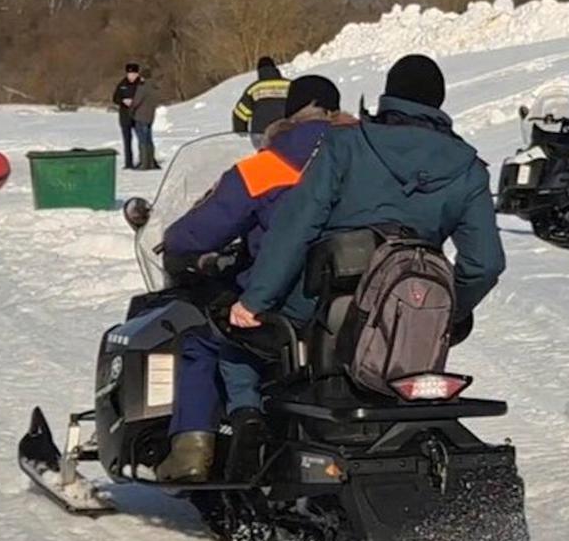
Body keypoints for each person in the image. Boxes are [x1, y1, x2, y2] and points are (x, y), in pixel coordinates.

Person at [224, 54, 506, 470]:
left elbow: (296, 224)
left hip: (324, 304)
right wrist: (448, 311)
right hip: (407, 312)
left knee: (233, 338)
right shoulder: (467, 167)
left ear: (388, 95)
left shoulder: (346, 144)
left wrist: (255, 300)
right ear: (439, 102)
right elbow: (485, 263)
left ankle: (247, 435)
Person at [156, 75, 345, 483]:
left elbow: (206, 225)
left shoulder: (270, 164)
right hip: (351, 303)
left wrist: (174, 241)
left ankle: (194, 448)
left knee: (203, 336)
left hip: (281, 300)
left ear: (290, 112)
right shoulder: (362, 159)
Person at [232, 57, 291, 144]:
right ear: (274, 68)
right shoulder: (289, 85)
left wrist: (241, 131)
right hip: (286, 132)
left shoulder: (254, 89)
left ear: (259, 71)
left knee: (264, 155)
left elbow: (240, 113)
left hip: (260, 134)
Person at [112, 63, 142, 169]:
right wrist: (123, 101)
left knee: (141, 139)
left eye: (134, 73)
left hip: (138, 116)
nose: (132, 76)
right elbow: (115, 98)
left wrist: (135, 102)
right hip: (125, 117)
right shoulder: (122, 84)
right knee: (127, 141)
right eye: (130, 73)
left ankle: (143, 161)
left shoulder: (141, 84)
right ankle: (128, 163)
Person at [130, 68, 161, 171]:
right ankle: (151, 162)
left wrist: (130, 109)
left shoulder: (142, 87)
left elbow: (136, 101)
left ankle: (144, 163)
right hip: (150, 116)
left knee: (142, 141)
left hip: (140, 116)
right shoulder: (155, 87)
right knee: (149, 140)